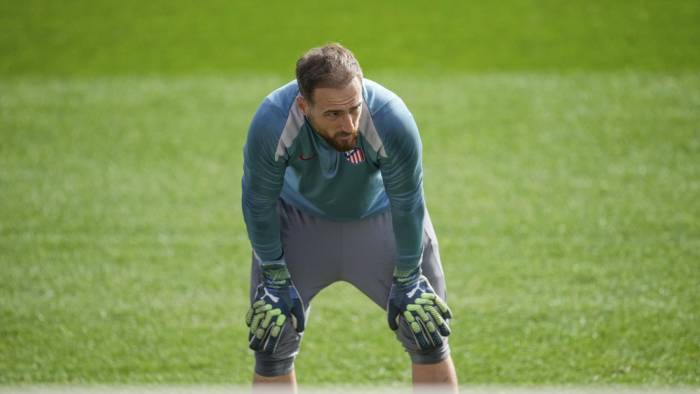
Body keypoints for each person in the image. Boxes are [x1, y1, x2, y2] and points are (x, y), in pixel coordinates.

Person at [242, 43, 457, 392]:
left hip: (382, 218)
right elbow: (257, 201)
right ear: (303, 105)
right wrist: (274, 274)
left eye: (354, 108)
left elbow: (407, 199)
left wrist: (409, 275)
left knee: (426, 330)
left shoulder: (389, 116)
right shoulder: (272, 121)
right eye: (333, 115)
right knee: (272, 336)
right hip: (298, 224)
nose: (349, 124)